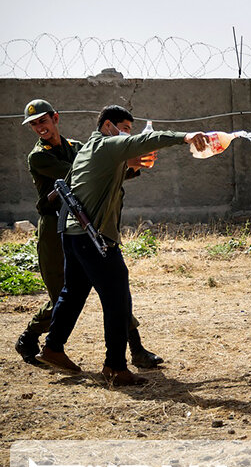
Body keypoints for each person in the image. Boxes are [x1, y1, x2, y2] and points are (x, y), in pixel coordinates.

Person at [36, 105, 212, 386]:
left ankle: (53, 348)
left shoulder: (92, 149)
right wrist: (186, 136)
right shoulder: (106, 144)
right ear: (108, 126)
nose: (127, 135)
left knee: (73, 293)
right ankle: (115, 367)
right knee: (117, 299)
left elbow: (109, 173)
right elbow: (142, 142)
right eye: (125, 129)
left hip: (73, 233)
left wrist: (132, 165)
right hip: (92, 237)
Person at [15, 99, 165, 368]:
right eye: (34, 124)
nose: (40, 127)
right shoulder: (38, 156)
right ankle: (30, 337)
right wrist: (123, 161)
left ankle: (137, 349)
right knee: (64, 294)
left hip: (85, 224)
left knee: (113, 288)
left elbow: (102, 174)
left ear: (55, 118)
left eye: (43, 121)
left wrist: (132, 166)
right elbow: (79, 175)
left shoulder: (77, 147)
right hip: (54, 228)